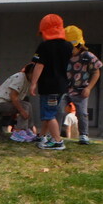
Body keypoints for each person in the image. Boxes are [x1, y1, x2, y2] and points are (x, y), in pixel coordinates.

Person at [29, 14, 73, 151]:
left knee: (48, 114)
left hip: (48, 86)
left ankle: (57, 141)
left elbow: (37, 65)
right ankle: (43, 135)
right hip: (62, 86)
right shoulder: (68, 46)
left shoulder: (44, 46)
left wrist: (33, 83)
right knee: (51, 112)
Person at [61, 25, 103, 145]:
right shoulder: (65, 56)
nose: (70, 51)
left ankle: (83, 135)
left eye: (72, 48)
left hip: (81, 89)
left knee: (82, 113)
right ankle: (54, 134)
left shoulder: (87, 56)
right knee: (58, 110)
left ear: (79, 45)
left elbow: (96, 72)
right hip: (65, 88)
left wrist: (89, 88)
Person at [0, 62, 36, 133]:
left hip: (7, 102)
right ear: (30, 73)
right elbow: (13, 96)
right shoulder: (20, 78)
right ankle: (20, 131)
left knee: (28, 105)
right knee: (24, 107)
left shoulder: (28, 80)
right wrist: (21, 111)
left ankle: (29, 129)